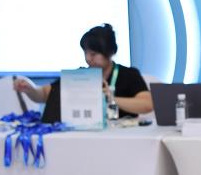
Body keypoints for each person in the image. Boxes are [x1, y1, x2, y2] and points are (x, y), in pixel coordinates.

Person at [14, 23, 152, 118]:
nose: (88, 58)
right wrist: (29, 89)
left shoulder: (129, 75)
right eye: (85, 53)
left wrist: (110, 99)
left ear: (110, 52)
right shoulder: (79, 76)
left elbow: (147, 105)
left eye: (93, 54)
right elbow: (44, 94)